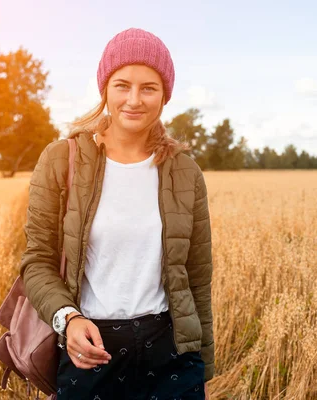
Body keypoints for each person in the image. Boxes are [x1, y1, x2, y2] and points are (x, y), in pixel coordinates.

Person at [19, 27, 214, 399]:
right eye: (122, 85)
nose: (134, 100)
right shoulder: (61, 160)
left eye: (149, 87)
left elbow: (198, 279)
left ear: (165, 94)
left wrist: (203, 366)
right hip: (91, 350)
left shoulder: (186, 172)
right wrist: (68, 320)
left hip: (171, 354)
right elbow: (37, 261)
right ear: (105, 88)